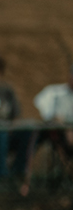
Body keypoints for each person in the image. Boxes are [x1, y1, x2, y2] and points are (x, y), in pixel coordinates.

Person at [20, 59, 73, 197]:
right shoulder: (55, 93)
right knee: (32, 135)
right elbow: (49, 116)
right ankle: (22, 179)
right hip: (59, 136)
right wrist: (65, 128)